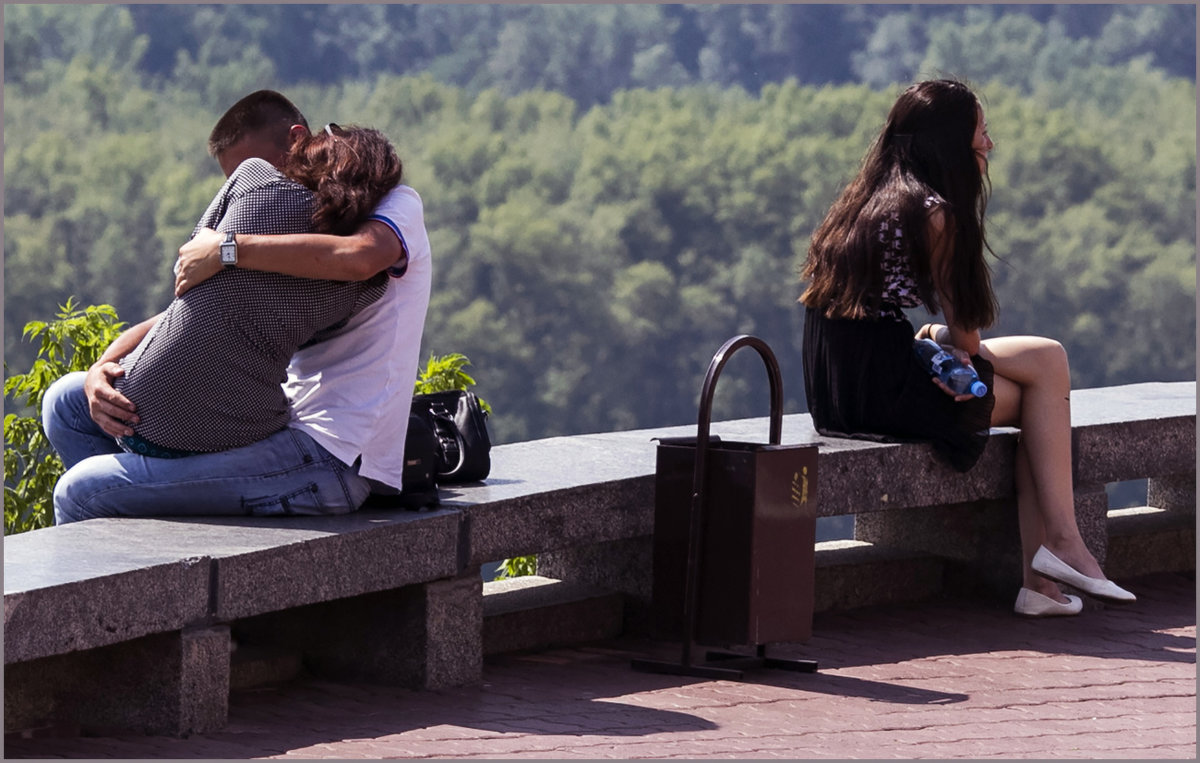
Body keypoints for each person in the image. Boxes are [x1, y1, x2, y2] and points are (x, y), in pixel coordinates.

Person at [799, 78, 1135, 618]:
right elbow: (969, 335)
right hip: (883, 390)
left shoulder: (861, 200)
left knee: (1043, 373)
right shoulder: (935, 213)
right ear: (952, 140)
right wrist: (941, 342)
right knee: (1046, 372)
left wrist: (931, 341)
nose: (989, 144)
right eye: (981, 131)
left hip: (839, 386)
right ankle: (1058, 553)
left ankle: (1044, 584)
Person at [44, 90, 432, 522]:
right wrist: (105, 367)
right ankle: (149, 539)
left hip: (333, 455)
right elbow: (194, 311)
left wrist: (226, 248)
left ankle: (140, 548)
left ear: (297, 140)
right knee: (67, 403)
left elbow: (359, 258)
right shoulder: (298, 225)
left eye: (268, 169)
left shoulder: (396, 204)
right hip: (278, 425)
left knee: (82, 492)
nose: (264, 189)